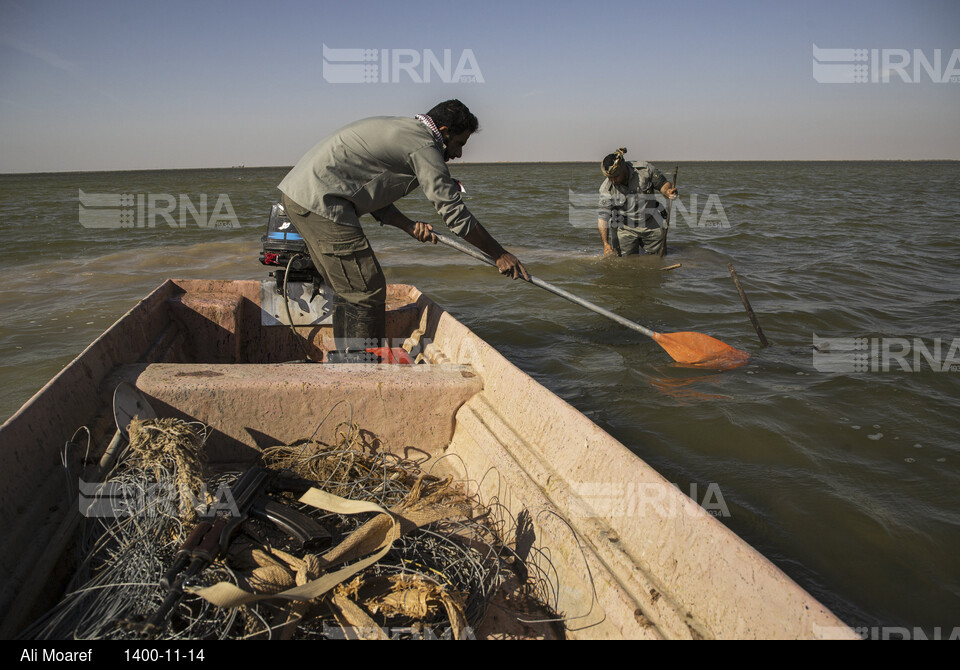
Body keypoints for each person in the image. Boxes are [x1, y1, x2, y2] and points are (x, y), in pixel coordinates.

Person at [278, 99, 529, 362]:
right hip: (321, 200)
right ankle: (363, 364)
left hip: (303, 195)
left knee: (349, 288)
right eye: (459, 144)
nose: (458, 155)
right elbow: (455, 216)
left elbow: (372, 196)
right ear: (444, 132)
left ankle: (349, 358)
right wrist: (499, 254)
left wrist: (408, 226)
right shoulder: (423, 145)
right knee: (366, 287)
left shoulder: (408, 133)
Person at [597, 148, 677, 257]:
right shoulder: (607, 189)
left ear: (623, 168)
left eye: (615, 177)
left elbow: (662, 184)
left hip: (651, 222)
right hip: (624, 226)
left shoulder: (645, 170)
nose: (613, 180)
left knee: (658, 259)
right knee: (625, 263)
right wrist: (606, 244)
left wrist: (667, 191)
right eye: (610, 178)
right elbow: (602, 218)